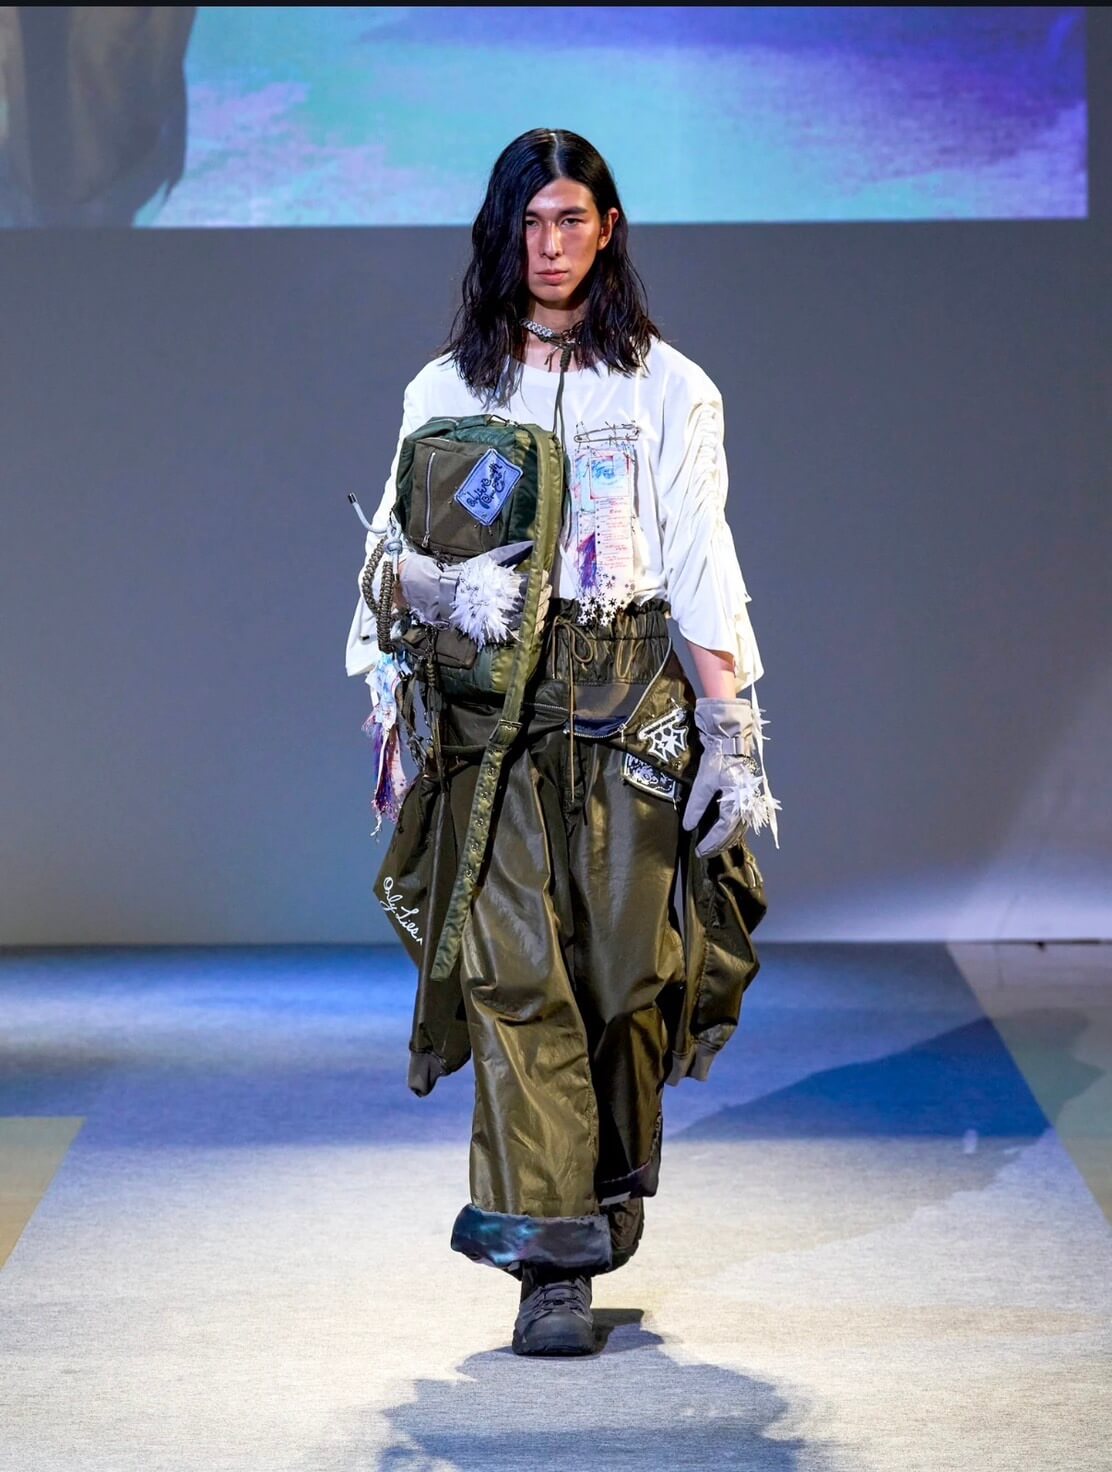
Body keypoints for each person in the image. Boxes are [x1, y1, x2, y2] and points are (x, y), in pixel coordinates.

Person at [346, 128, 778, 1357]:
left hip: (628, 699)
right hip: (490, 719)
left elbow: (699, 553)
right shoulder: (445, 390)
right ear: (503, 232)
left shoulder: (667, 387)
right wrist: (420, 632)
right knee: (513, 976)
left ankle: (605, 1185)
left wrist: (731, 729)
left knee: (624, 977)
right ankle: (548, 1259)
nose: (549, 245)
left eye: (571, 218)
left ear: (607, 227)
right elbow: (388, 559)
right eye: (530, 221)